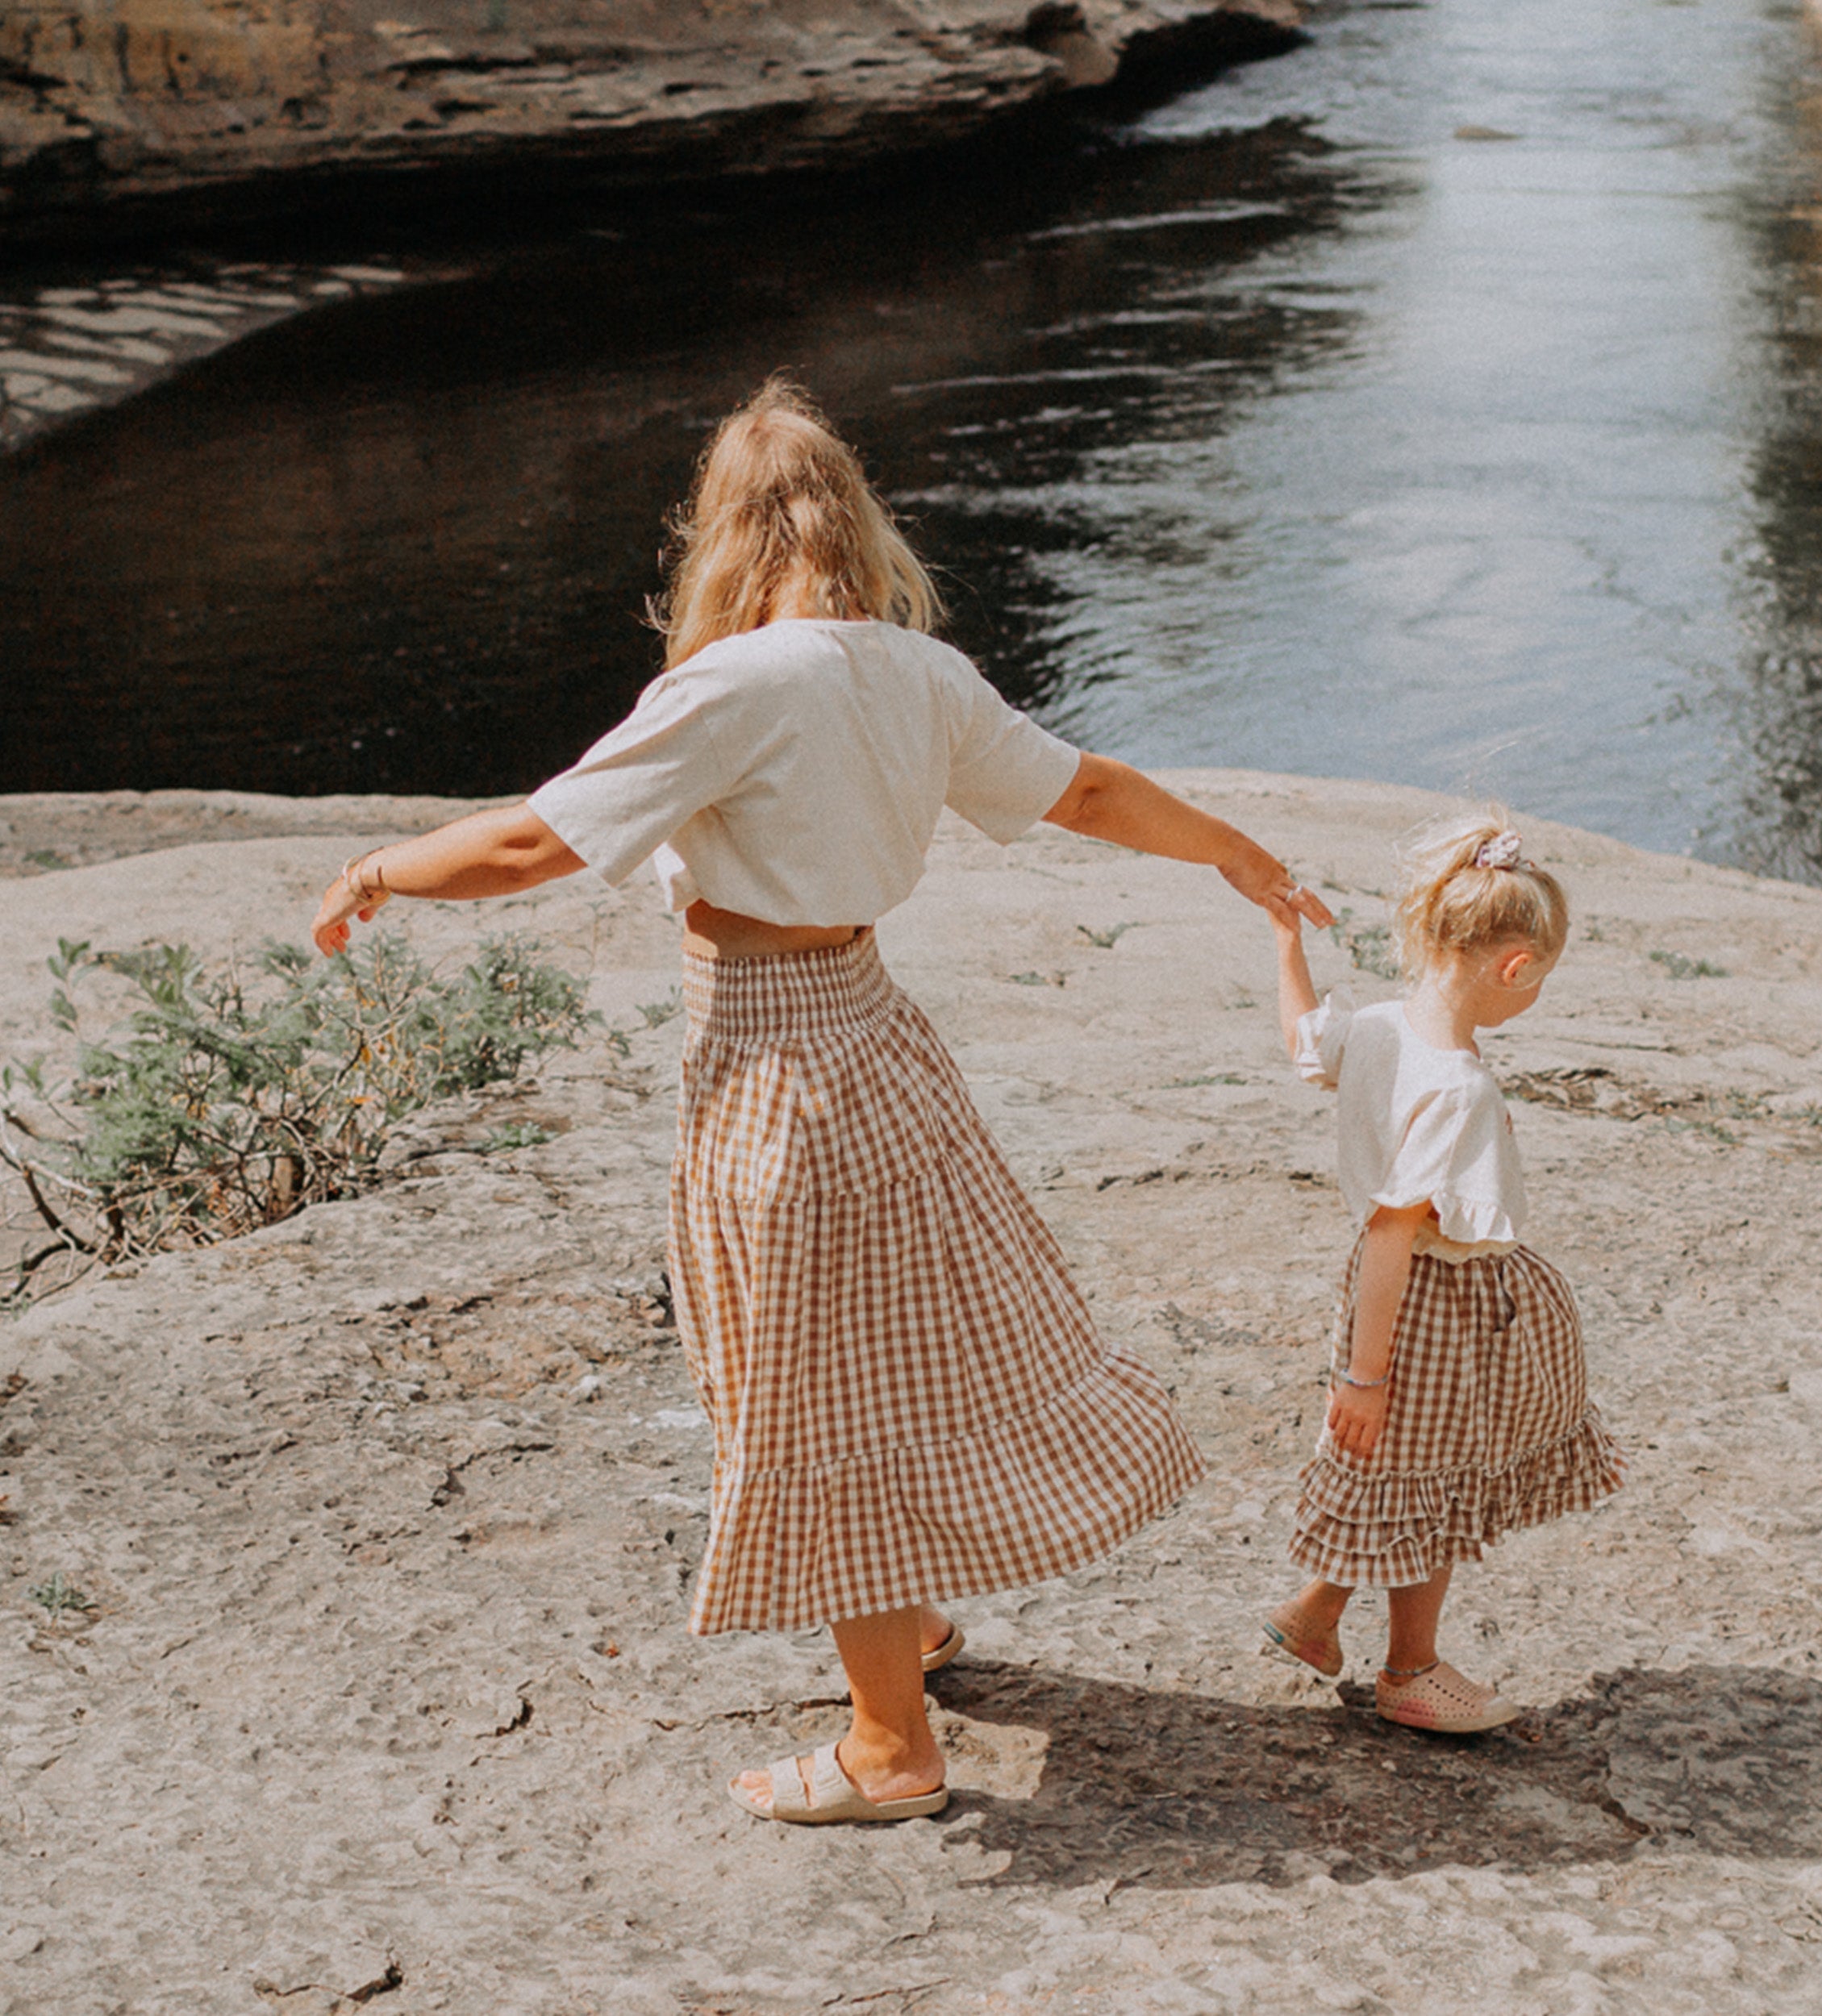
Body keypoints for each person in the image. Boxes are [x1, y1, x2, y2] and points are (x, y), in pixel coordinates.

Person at [311, 377, 1332, 1824]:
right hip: (877, 1037)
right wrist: (1233, 852)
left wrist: (377, 869)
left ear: (720, 537)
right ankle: (904, 1627)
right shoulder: (915, 673)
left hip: (778, 1067)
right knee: (895, 1354)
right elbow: (1091, 792)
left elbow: (539, 845)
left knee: (807, 1388)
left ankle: (889, 1750)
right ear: (857, 523)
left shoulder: (731, 685)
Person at [1260, 812, 1623, 1732]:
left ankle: (1314, 1615)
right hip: (1432, 1305)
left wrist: (1283, 938)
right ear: (1515, 968)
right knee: (1437, 1483)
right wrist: (1365, 1375)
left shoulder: (1381, 1026)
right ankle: (1410, 1669)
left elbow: (1306, 1042)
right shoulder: (1457, 1086)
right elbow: (1393, 1230)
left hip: (1390, 1300)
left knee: (1391, 1473)